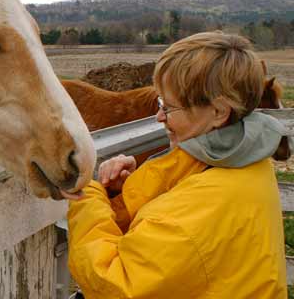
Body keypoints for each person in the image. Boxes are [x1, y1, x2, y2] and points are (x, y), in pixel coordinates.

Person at [63, 32, 287, 298]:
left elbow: (114, 283)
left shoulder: (204, 202)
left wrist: (88, 196)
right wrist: (124, 194)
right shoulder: (247, 162)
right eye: (160, 103)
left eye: (168, 107)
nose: (158, 116)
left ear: (218, 112)